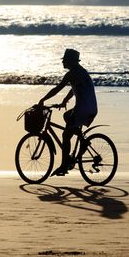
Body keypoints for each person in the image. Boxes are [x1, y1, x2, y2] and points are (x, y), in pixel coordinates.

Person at [38, 48, 98, 176]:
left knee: (66, 135)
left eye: (65, 60)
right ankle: (82, 141)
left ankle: (64, 165)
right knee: (67, 116)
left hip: (83, 108)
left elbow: (57, 89)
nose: (63, 62)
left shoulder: (71, 74)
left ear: (71, 61)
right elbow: (75, 88)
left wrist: (42, 100)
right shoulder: (81, 72)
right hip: (90, 107)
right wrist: (65, 100)